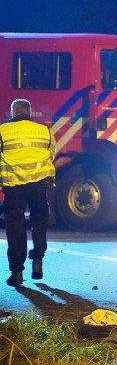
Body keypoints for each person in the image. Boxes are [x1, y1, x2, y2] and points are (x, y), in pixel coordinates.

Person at [0, 99, 55, 286]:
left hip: (14, 186)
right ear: (29, 112)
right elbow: (50, 155)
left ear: (13, 112)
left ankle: (17, 273)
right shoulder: (44, 131)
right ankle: (37, 261)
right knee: (39, 223)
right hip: (39, 186)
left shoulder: (2, 131)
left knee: (15, 229)